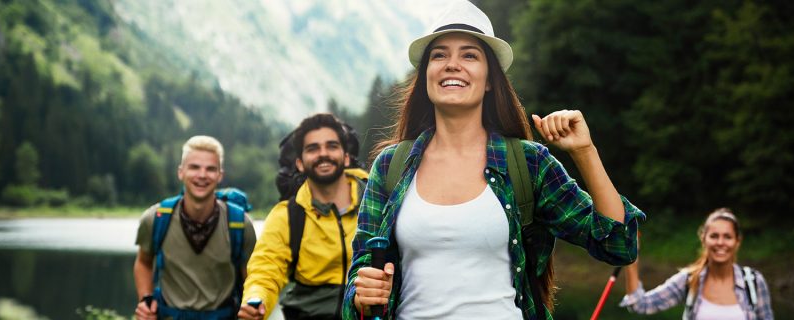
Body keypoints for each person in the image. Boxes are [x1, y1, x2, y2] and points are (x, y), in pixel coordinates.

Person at [343, 1, 645, 319]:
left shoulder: (529, 164)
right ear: (426, 77)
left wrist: (584, 152)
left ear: (489, 80)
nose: (452, 64)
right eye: (439, 54)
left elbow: (618, 246)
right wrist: (361, 295)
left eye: (469, 55)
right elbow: (358, 287)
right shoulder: (391, 166)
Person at [238, 113, 369, 320]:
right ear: (299, 163)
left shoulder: (375, 201)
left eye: (332, 146)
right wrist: (256, 299)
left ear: (346, 157)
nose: (323, 154)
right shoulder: (287, 215)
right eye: (313, 148)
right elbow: (266, 268)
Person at [133, 135, 257, 320]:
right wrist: (146, 300)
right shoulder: (155, 219)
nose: (202, 175)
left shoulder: (240, 224)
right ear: (181, 172)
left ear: (220, 176)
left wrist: (252, 308)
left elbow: (252, 278)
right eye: (194, 167)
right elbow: (143, 262)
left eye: (210, 169)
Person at [619, 208, 774, 320]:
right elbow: (641, 304)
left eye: (727, 236)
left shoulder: (753, 282)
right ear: (703, 239)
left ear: (737, 241)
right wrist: (631, 256)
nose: (720, 242)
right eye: (714, 236)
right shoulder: (689, 280)